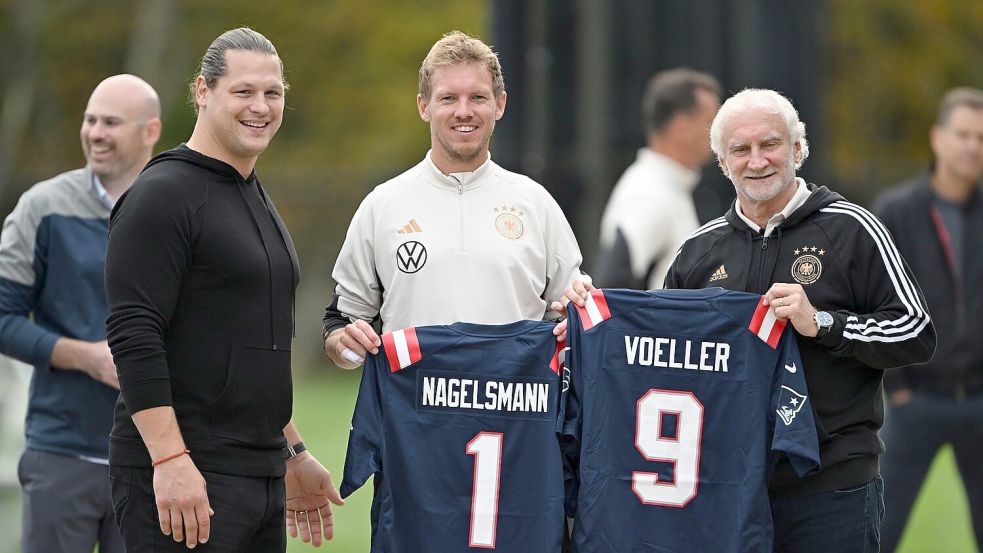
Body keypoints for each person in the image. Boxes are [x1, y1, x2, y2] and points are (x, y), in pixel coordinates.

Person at [104, 28, 342, 552]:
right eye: (244, 91)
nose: (260, 106)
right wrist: (169, 462)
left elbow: (252, 347)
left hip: (258, 474)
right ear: (203, 92)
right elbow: (133, 336)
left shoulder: (250, 192)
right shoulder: (162, 195)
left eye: (273, 93)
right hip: (187, 476)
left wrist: (293, 454)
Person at [323, 30, 586, 367]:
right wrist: (345, 345)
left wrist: (578, 309)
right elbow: (341, 325)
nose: (464, 111)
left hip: (510, 417)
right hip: (411, 416)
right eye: (448, 98)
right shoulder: (382, 205)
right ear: (424, 106)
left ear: (499, 104)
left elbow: (570, 320)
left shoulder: (536, 204)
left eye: (477, 97)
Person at [0, 74, 160, 553]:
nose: (95, 132)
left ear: (149, 131)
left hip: (157, 460)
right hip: (61, 453)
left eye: (111, 122)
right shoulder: (43, 207)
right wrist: (82, 356)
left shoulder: (179, 209)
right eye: (90, 120)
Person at [872, 87, 983, 552]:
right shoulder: (896, 211)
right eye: (963, 134)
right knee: (881, 526)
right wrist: (896, 386)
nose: (973, 146)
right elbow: (873, 301)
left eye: (981, 137)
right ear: (938, 138)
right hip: (915, 399)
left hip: (980, 400)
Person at [595, 68, 720, 290]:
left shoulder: (664, 187)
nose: (719, 132)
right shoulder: (650, 191)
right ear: (682, 127)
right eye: (711, 121)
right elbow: (613, 283)